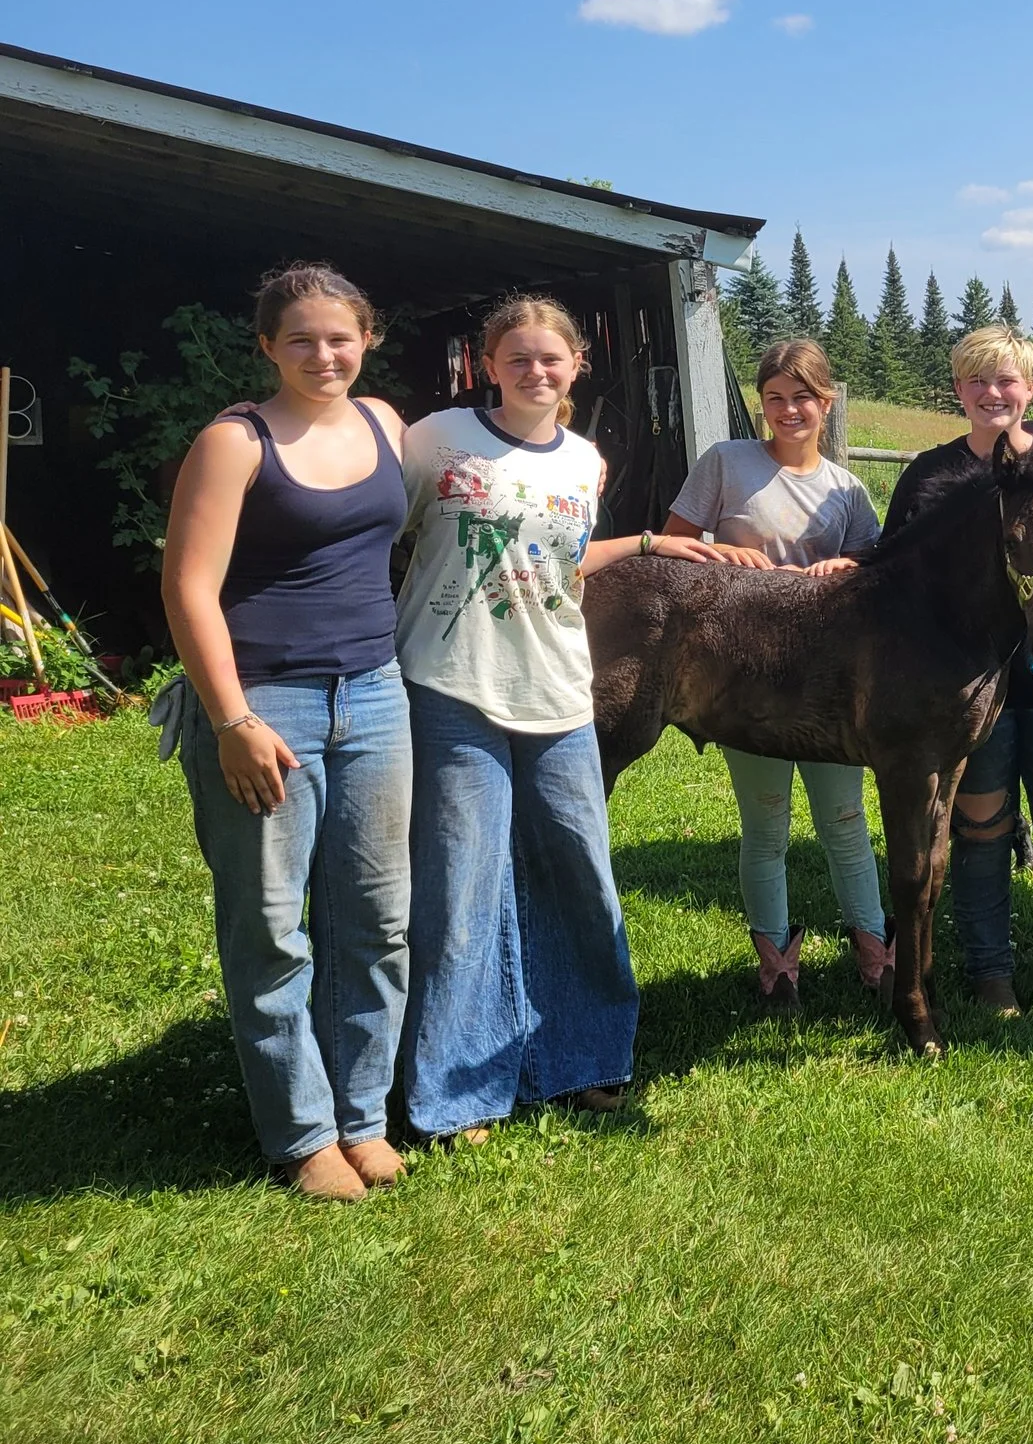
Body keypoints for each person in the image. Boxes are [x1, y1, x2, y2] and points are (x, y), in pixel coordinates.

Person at [396, 294, 737, 1141]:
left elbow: (563, 560)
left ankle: (585, 1056)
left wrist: (650, 544)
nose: (534, 370)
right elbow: (370, 533)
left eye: (550, 357)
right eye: (516, 356)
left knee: (580, 871)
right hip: (451, 683)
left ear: (576, 364)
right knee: (463, 885)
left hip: (556, 689)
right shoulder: (435, 439)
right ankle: (460, 1087)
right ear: (488, 364)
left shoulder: (586, 460)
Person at [157, 264, 413, 1200]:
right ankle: (304, 1133)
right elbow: (187, 586)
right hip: (267, 705)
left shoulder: (385, 424)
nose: (323, 354)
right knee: (270, 926)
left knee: (378, 918)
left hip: (377, 696)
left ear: (367, 338)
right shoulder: (235, 442)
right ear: (267, 345)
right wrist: (232, 719)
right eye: (300, 338)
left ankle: (363, 1115)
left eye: (340, 336)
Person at [883, 324, 1033, 1027]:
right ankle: (991, 975)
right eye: (978, 380)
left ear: (1030, 388)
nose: (993, 393)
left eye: (1007, 380)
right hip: (961, 690)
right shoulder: (930, 476)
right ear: (958, 389)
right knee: (980, 829)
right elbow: (892, 570)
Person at [664, 338, 888, 1007]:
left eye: (803, 398)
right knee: (765, 825)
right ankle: (777, 964)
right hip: (747, 676)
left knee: (845, 818)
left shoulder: (847, 489)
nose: (789, 410)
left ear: (827, 402)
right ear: (761, 402)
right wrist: (725, 555)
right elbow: (673, 548)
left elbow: (879, 574)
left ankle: (876, 952)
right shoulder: (726, 462)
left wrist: (849, 566)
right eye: (775, 398)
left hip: (827, 682)